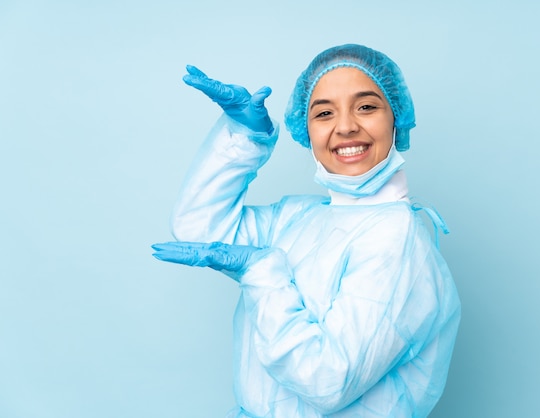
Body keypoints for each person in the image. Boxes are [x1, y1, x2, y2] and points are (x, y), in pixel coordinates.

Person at [152, 44, 461, 417]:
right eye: (324, 113)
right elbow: (198, 230)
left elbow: (325, 381)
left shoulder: (397, 240)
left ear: (396, 118)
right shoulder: (303, 217)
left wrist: (262, 273)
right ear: (307, 129)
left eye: (366, 106)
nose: (345, 126)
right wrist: (244, 137)